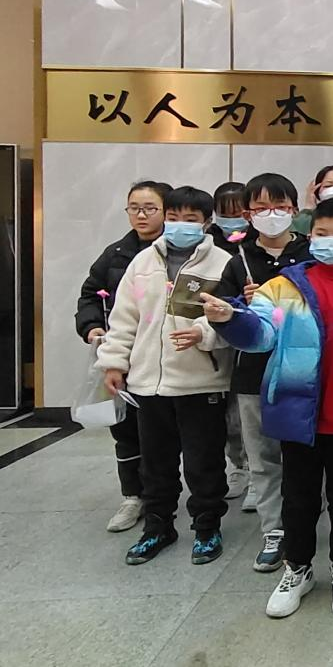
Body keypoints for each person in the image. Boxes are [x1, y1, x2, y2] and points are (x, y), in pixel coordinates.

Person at [205, 197, 333, 619]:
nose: (331, 241)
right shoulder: (284, 286)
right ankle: (298, 567)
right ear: (310, 238)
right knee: (299, 497)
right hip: (299, 411)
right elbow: (259, 335)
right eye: (322, 234)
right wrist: (228, 317)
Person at [95, 186, 233, 567]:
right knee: (155, 462)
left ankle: (207, 527)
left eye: (190, 219)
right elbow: (124, 318)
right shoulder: (142, 263)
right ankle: (158, 526)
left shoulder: (223, 263)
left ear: (206, 223)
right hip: (148, 384)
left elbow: (232, 319)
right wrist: (114, 363)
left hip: (200, 383)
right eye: (173, 218)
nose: (179, 225)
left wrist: (204, 334)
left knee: (204, 462)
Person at [215, 173, 312, 573]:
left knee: (309, 455)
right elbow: (219, 314)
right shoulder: (236, 260)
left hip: (304, 371)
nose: (272, 215)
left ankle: (317, 519)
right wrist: (241, 306)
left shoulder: (312, 253)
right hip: (253, 374)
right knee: (263, 458)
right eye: (261, 207)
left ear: (294, 210)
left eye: (280, 207)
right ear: (247, 214)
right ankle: (274, 530)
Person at [75, 179, 172, 533]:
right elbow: (89, 295)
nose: (141, 215)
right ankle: (133, 496)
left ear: (167, 212)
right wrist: (91, 327)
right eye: (134, 208)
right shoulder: (115, 254)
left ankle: (167, 498)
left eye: (150, 208)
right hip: (123, 355)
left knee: (168, 433)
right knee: (125, 429)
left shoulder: (178, 251)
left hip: (168, 356)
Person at [209, 180, 252, 498]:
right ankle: (238, 465)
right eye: (226, 212)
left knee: (247, 412)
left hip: (249, 341)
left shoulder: (256, 248)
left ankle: (257, 469)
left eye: (239, 212)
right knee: (228, 418)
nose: (233, 219)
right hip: (214, 342)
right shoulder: (207, 248)